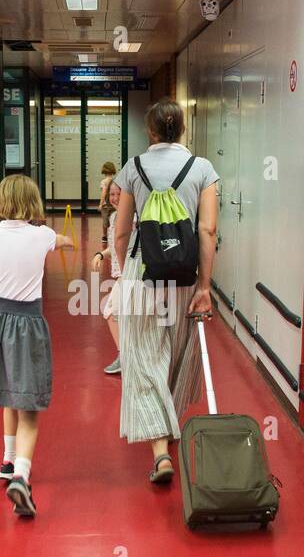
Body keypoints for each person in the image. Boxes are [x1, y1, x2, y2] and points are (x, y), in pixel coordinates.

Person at [111, 99, 219, 483]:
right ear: (183, 130)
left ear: (150, 131)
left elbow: (122, 231)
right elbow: (206, 231)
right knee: (174, 358)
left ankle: (160, 451)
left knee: (143, 359)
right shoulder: (203, 169)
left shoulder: (133, 168)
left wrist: (127, 273)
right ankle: (166, 431)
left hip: (143, 275)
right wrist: (205, 285)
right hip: (184, 277)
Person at [0, 174, 75, 518]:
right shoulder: (41, 236)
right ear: (33, 204)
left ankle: (8, 461)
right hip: (27, 325)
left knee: (8, 394)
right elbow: (66, 240)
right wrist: (65, 241)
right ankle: (22, 479)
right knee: (29, 407)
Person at [91, 176, 132, 375]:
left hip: (129, 275)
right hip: (120, 275)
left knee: (110, 312)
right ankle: (127, 357)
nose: (115, 198)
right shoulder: (115, 217)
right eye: (112, 195)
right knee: (122, 315)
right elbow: (114, 248)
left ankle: (125, 357)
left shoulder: (133, 217)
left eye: (119, 194)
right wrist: (101, 253)